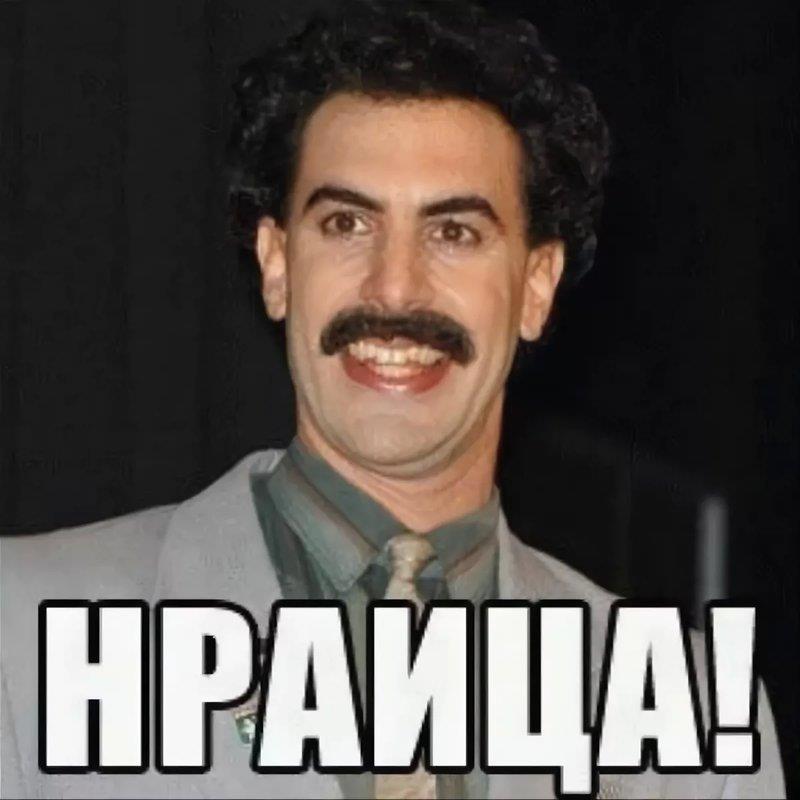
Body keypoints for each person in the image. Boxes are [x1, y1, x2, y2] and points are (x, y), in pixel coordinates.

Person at [0, 1, 785, 797]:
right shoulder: (26, 637)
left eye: (454, 233)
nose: (395, 289)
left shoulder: (692, 724)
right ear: (276, 264)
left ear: (536, 286)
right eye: (347, 223)